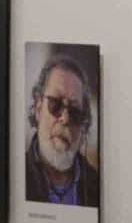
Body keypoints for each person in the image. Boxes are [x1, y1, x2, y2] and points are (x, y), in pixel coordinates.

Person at [25, 55, 100, 207]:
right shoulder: (15, 174)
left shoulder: (97, 184)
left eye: (74, 111)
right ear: (38, 110)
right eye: (55, 104)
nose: (65, 119)